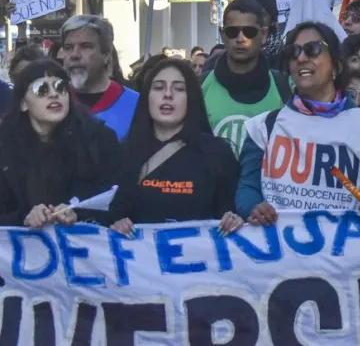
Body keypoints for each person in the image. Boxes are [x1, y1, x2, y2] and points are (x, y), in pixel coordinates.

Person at [236, 22, 360, 224]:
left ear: (336, 66)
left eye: (313, 49)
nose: (301, 58)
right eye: (293, 52)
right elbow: (247, 188)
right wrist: (253, 207)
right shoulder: (263, 127)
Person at [107, 59, 242, 236]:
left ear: (191, 97)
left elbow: (233, 211)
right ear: (147, 96)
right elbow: (108, 213)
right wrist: (116, 223)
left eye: (179, 89)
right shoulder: (123, 152)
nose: (168, 95)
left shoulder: (218, 153)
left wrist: (234, 220)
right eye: (158, 88)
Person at [0, 60, 121, 227]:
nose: (54, 94)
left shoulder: (98, 139)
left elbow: (119, 202)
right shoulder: (4, 146)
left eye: (60, 87)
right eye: (41, 89)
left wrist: (78, 213)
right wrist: (23, 219)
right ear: (23, 103)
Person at [201, 0, 291, 156]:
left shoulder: (284, 87)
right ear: (222, 35)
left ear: (263, 34)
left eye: (249, 32)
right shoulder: (201, 86)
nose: (240, 38)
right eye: (232, 32)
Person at [61, 15, 139, 140]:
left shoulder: (136, 104)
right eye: (68, 48)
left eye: (86, 46)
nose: (75, 55)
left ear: (106, 54)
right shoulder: (53, 101)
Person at [235, 0, 283, 68]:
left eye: (260, 14)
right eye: (247, 13)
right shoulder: (219, 64)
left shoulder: (288, 62)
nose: (253, 21)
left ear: (272, 21)